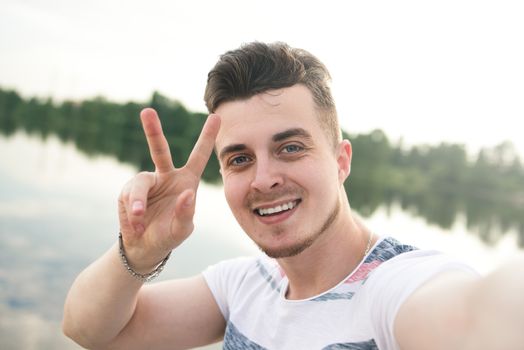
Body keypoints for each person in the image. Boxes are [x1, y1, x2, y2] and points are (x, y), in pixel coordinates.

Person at [63, 42, 524, 350]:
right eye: (240, 159)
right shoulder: (242, 286)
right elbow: (90, 330)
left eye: (290, 147)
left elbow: (484, 318)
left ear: (341, 160)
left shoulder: (394, 288)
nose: (264, 179)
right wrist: (139, 253)